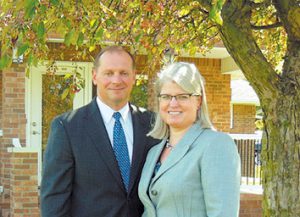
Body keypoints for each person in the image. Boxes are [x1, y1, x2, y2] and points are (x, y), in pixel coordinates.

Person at [40, 46, 157, 217]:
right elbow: (54, 198)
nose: (116, 80)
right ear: (95, 76)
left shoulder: (153, 124)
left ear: (134, 77)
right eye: (108, 73)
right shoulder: (67, 127)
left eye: (123, 73)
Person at [138, 62, 241, 217]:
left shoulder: (216, 145)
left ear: (198, 101)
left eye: (182, 96)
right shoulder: (154, 152)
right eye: (166, 96)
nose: (173, 103)